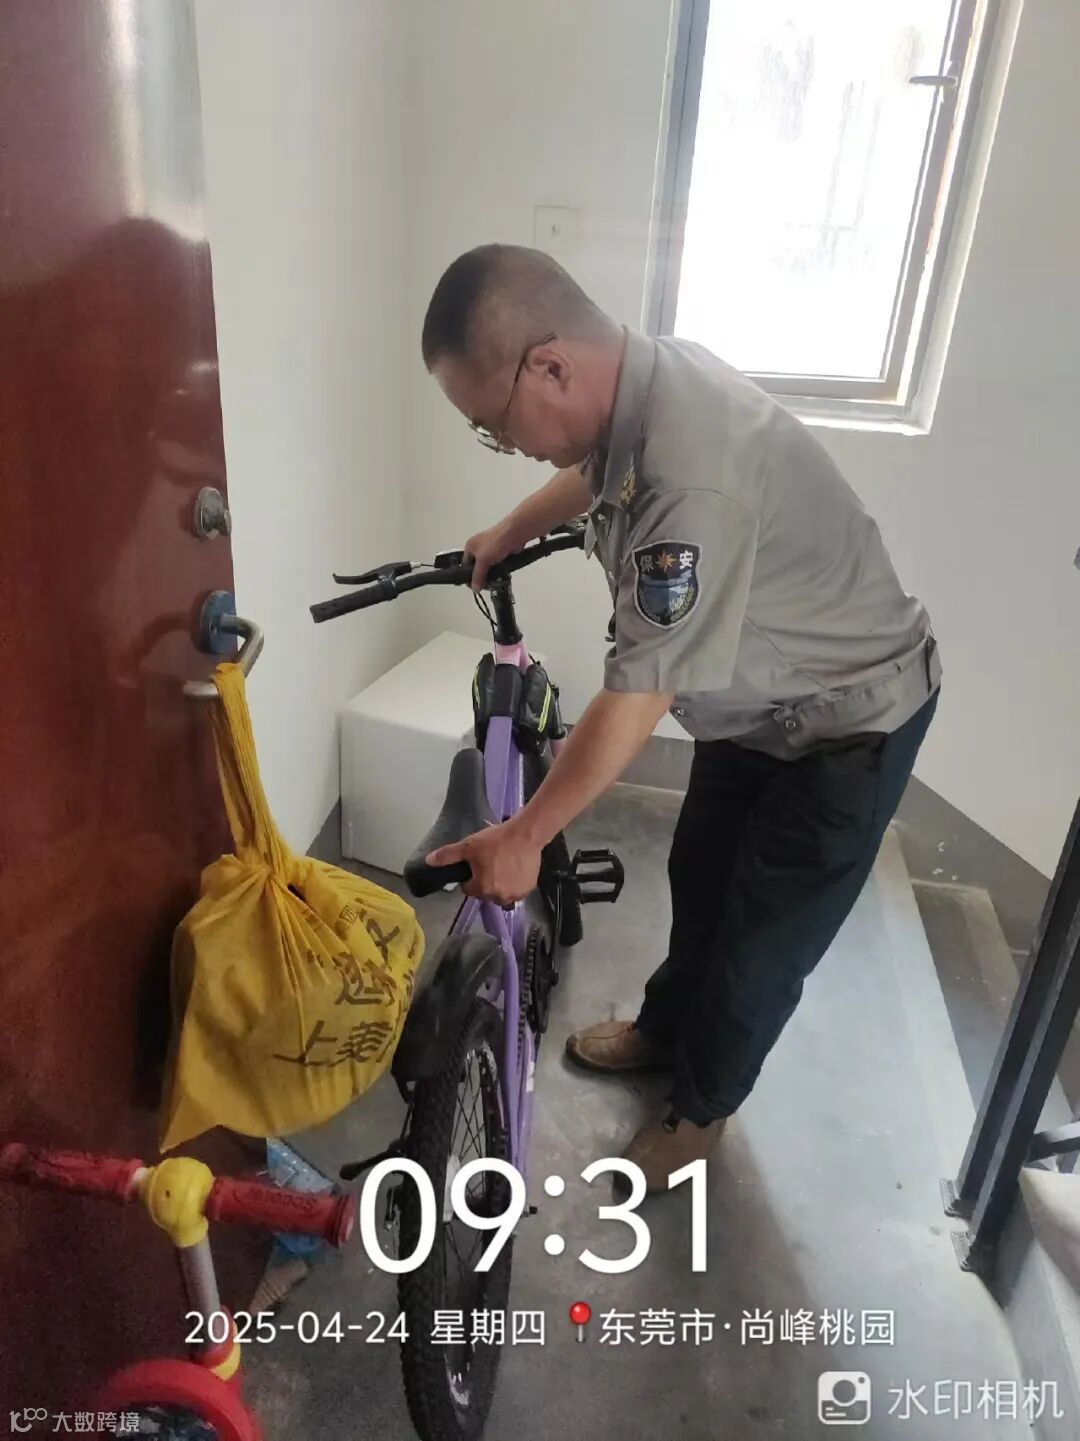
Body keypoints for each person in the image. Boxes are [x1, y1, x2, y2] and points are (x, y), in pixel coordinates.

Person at [422, 243, 940, 1191]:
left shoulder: (694, 473)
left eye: (495, 427)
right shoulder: (642, 382)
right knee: (700, 880)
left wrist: (526, 834)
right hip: (755, 704)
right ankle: (664, 1031)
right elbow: (599, 473)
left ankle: (701, 1111)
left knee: (758, 948)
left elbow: (638, 694)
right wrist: (512, 526)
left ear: (551, 366)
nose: (505, 444)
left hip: (845, 727)